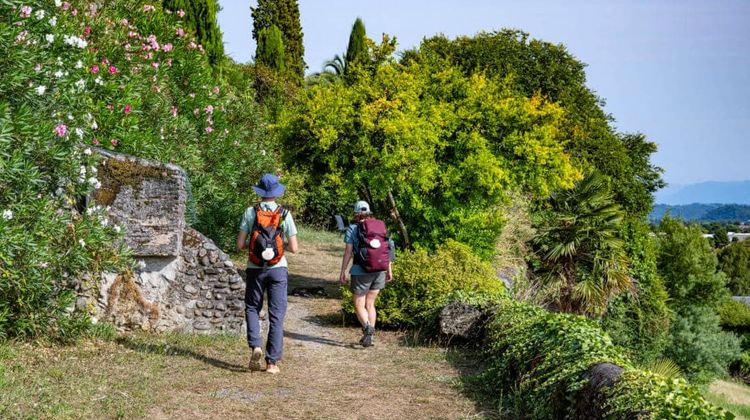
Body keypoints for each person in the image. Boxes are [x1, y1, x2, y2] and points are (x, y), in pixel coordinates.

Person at [236, 173, 298, 374]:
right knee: (276, 315)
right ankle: (272, 363)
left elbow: (239, 245)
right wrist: (278, 246)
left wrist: (256, 246)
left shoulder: (250, 212)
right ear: (276, 192)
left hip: (255, 268)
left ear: (260, 191)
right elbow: (295, 248)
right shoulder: (285, 214)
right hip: (278, 268)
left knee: (252, 307)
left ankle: (255, 345)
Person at [339, 201, 392, 347]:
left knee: (358, 304)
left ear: (355, 213)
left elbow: (348, 252)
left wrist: (342, 271)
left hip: (360, 270)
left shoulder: (353, 228)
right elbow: (388, 249)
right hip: (379, 270)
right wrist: (389, 270)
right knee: (370, 304)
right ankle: (370, 337)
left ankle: (367, 328)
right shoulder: (380, 227)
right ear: (369, 212)